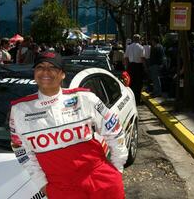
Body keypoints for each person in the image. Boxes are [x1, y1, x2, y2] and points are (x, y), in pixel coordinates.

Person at [9, 51, 128, 199]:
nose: (46, 71)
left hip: (101, 179)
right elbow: (22, 150)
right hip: (61, 187)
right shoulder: (20, 110)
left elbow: (114, 131)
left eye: (53, 67)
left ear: (62, 74)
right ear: (35, 73)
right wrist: (41, 184)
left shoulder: (84, 98)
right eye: (40, 66)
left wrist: (117, 169)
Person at [124, 34, 145, 105]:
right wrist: (145, 67)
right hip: (138, 67)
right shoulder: (141, 47)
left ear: (133, 39)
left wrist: (127, 67)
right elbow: (142, 59)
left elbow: (126, 58)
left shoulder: (128, 47)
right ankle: (137, 100)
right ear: (139, 39)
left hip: (130, 66)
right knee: (138, 84)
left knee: (130, 83)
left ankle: (130, 101)